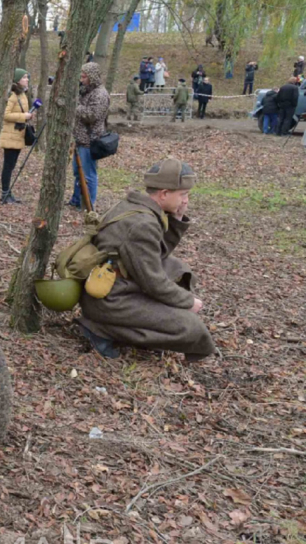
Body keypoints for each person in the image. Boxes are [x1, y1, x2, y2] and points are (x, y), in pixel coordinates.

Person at [78, 159, 215, 361]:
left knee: (177, 268)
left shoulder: (134, 206)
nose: (186, 200)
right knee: (193, 329)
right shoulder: (142, 223)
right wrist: (188, 302)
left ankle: (129, 325)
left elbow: (157, 254)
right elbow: (153, 283)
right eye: (183, 194)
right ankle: (102, 330)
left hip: (107, 289)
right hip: (110, 301)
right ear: (164, 194)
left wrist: (176, 220)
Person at [68, 62, 109, 209]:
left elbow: (92, 115)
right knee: (78, 172)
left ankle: (88, 205)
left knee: (88, 175)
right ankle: (76, 200)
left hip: (90, 140)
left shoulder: (100, 94)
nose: (81, 79)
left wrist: (75, 106)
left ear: (92, 77)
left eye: (84, 76)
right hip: (80, 138)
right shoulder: (86, 91)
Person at [0, 68, 32, 205]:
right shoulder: (12, 96)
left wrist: (29, 115)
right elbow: (5, 115)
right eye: (24, 77)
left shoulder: (23, 95)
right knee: (8, 166)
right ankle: (5, 193)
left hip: (19, 135)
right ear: (18, 80)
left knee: (11, 166)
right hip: (10, 136)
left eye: (27, 77)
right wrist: (23, 116)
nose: (27, 79)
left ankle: (8, 192)